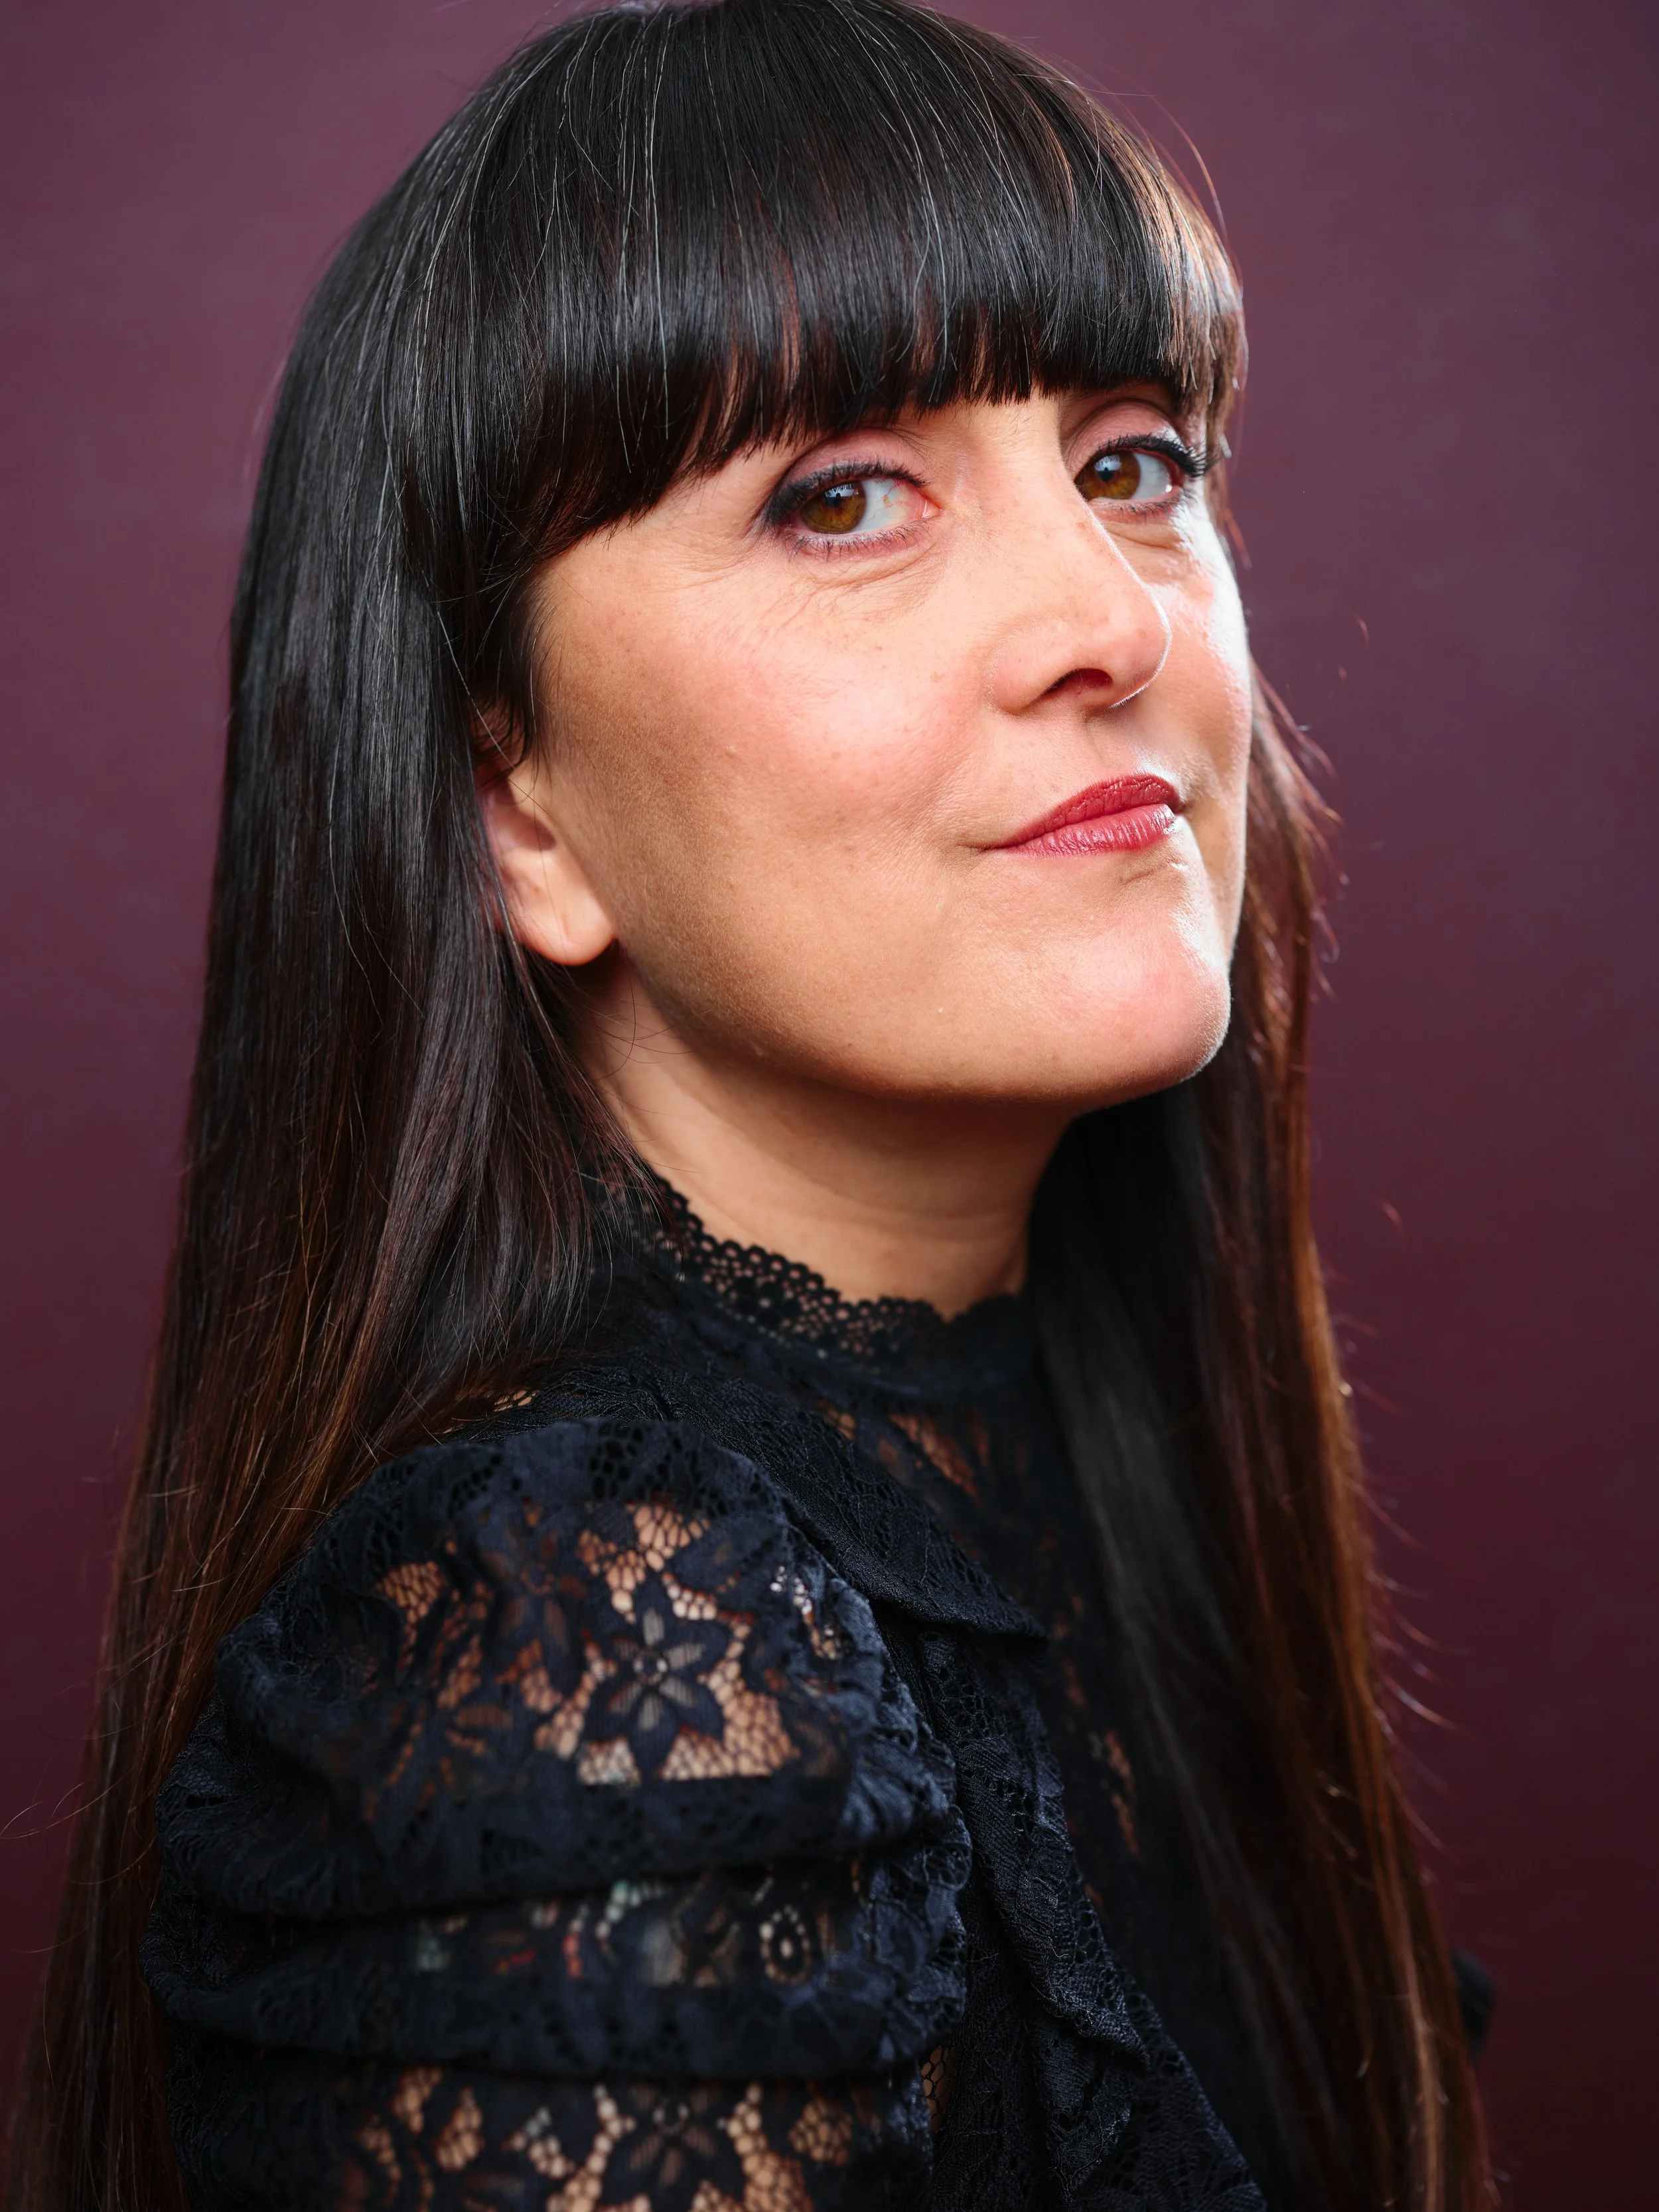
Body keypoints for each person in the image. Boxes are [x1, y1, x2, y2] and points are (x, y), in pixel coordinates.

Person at [7, 3, 1494, 2207]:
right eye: (839, 498)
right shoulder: (592, 1636)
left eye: (1132, 463)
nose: (1105, 618)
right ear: (516, 807)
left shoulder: (1081, 1486)